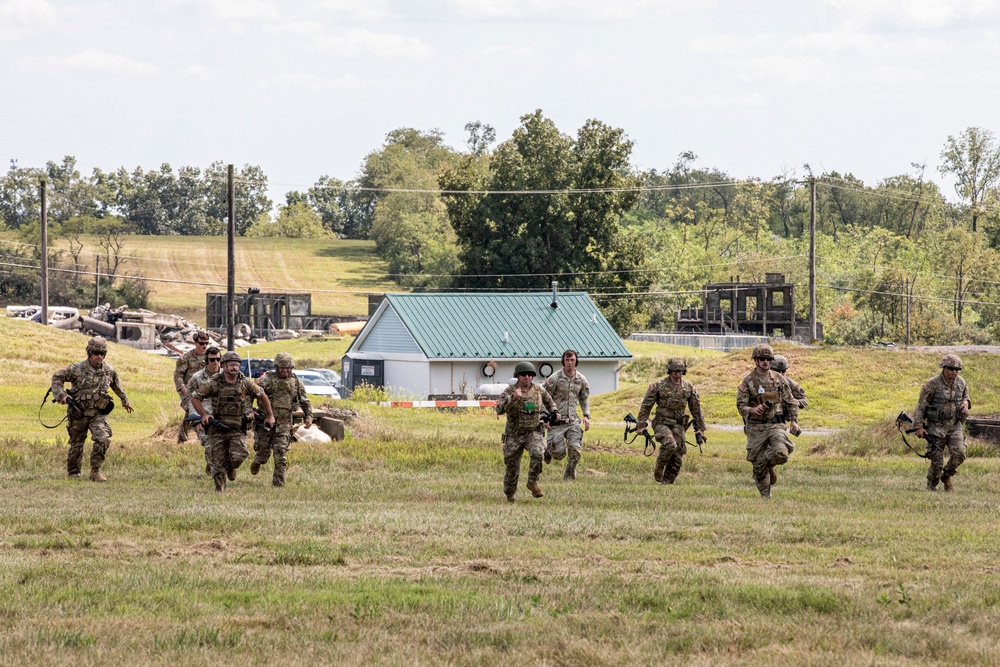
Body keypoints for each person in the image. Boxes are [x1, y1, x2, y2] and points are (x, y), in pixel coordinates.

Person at [50, 336, 134, 481]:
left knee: (103, 439)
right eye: (96, 353)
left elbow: (117, 386)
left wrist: (124, 400)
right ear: (89, 353)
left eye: (102, 354)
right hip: (79, 412)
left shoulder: (108, 370)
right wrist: (62, 396)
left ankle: (95, 471)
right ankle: (74, 473)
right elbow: (57, 378)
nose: (99, 357)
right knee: (77, 444)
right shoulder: (76, 369)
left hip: (98, 414)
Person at [191, 350, 274, 492]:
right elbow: (195, 397)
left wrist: (270, 415)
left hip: (238, 429)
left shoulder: (246, 383)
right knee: (217, 463)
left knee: (239, 456)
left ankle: (231, 467)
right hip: (217, 428)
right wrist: (204, 415)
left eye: (236, 365)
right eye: (231, 365)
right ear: (223, 365)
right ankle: (220, 492)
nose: (234, 367)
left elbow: (262, 395)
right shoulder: (214, 382)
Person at [736, 344, 799, 499]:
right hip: (756, 428)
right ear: (756, 361)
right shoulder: (749, 381)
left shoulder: (779, 379)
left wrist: (794, 421)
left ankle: (768, 464)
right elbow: (740, 404)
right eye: (762, 359)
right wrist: (752, 409)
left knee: (782, 454)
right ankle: (766, 496)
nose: (765, 362)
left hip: (775, 425)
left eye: (768, 359)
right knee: (758, 466)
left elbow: (791, 400)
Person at [635, 357, 706, 485]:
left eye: (680, 372)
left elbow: (696, 409)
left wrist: (701, 428)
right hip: (662, 423)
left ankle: (667, 483)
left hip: (679, 424)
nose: (677, 375)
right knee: (670, 444)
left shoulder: (688, 388)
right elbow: (646, 406)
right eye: (674, 372)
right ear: (669, 371)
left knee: (678, 456)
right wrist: (641, 425)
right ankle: (660, 465)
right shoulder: (658, 386)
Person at [495, 361, 558, 502]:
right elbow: (498, 409)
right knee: (512, 467)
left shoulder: (539, 390)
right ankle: (510, 494)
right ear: (517, 376)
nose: (527, 377)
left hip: (533, 432)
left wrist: (554, 413)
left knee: (537, 453)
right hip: (514, 434)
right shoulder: (510, 391)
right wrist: (512, 398)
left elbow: (550, 402)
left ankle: (532, 482)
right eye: (523, 374)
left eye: (530, 375)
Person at [250, 352, 313, 487]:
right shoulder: (266, 380)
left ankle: (279, 485)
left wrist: (309, 416)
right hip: (265, 423)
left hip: (284, 425)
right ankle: (257, 461)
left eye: (288, 368)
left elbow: (305, 401)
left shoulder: (296, 382)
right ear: (276, 367)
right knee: (263, 453)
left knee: (281, 455)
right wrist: (249, 411)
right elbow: (251, 393)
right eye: (282, 368)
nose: (285, 371)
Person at [913, 354, 970, 492]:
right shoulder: (932, 384)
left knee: (960, 453)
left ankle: (947, 476)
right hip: (936, 428)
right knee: (936, 461)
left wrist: (966, 403)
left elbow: (966, 396)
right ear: (944, 367)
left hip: (955, 426)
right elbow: (921, 406)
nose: (954, 372)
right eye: (951, 368)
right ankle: (932, 486)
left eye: (957, 369)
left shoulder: (961, 382)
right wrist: (919, 426)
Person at [542, 349, 591, 480]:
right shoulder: (555, 378)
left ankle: (569, 476)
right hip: (556, 421)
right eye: (567, 360)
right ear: (563, 361)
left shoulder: (581, 379)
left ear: (576, 361)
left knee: (575, 450)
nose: (570, 363)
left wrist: (586, 415)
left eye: (572, 360)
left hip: (573, 421)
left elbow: (584, 398)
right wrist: (545, 418)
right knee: (559, 454)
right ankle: (547, 450)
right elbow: (544, 397)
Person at [186, 346, 222, 475]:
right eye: (212, 360)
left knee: (223, 448)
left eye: (218, 359)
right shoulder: (197, 378)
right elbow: (190, 399)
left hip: (222, 417)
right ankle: (215, 474)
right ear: (207, 360)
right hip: (203, 417)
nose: (215, 362)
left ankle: (216, 465)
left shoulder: (226, 376)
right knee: (209, 446)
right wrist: (196, 419)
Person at [173, 332, 210, 443]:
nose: (204, 346)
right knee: (192, 411)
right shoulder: (186, 358)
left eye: (206, 343)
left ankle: (182, 437)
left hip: (203, 391)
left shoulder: (210, 358)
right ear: (195, 343)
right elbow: (178, 376)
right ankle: (202, 438)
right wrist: (183, 389)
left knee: (195, 411)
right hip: (187, 391)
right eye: (201, 343)